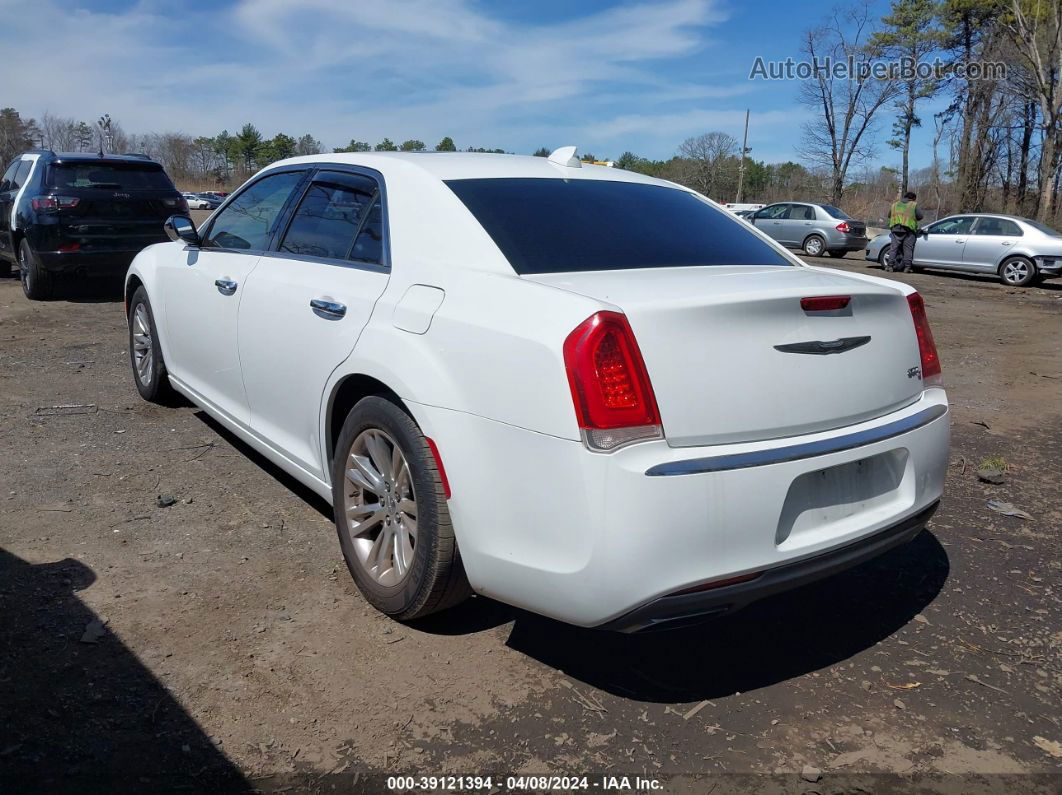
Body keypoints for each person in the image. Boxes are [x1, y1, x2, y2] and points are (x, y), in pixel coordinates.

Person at [886, 191, 924, 273]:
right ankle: (907, 268)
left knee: (893, 248)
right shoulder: (913, 205)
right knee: (908, 249)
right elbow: (920, 216)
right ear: (913, 198)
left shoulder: (895, 204)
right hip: (909, 230)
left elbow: (889, 215)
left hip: (895, 229)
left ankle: (889, 266)